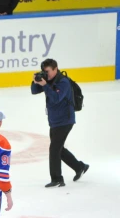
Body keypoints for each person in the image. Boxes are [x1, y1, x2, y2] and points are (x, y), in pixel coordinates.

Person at [31, 58, 89, 188]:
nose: (46, 74)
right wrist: (36, 81)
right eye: (43, 71)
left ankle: (57, 179)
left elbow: (56, 98)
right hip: (55, 120)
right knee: (59, 149)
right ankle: (80, 167)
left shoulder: (63, 82)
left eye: (48, 71)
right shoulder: (49, 80)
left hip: (65, 120)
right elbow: (34, 91)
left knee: (54, 149)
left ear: (55, 69)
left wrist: (45, 85)